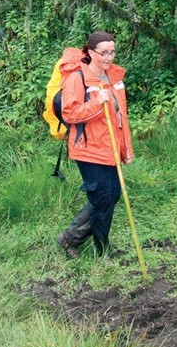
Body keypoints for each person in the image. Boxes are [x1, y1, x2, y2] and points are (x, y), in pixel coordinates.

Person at [56, 31, 134, 258]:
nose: (109, 58)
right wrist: (97, 104)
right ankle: (102, 251)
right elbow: (70, 114)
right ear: (91, 53)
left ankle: (70, 238)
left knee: (110, 196)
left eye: (112, 52)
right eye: (104, 53)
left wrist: (124, 147)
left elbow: (121, 116)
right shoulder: (77, 79)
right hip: (88, 149)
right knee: (102, 198)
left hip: (110, 146)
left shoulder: (114, 77)